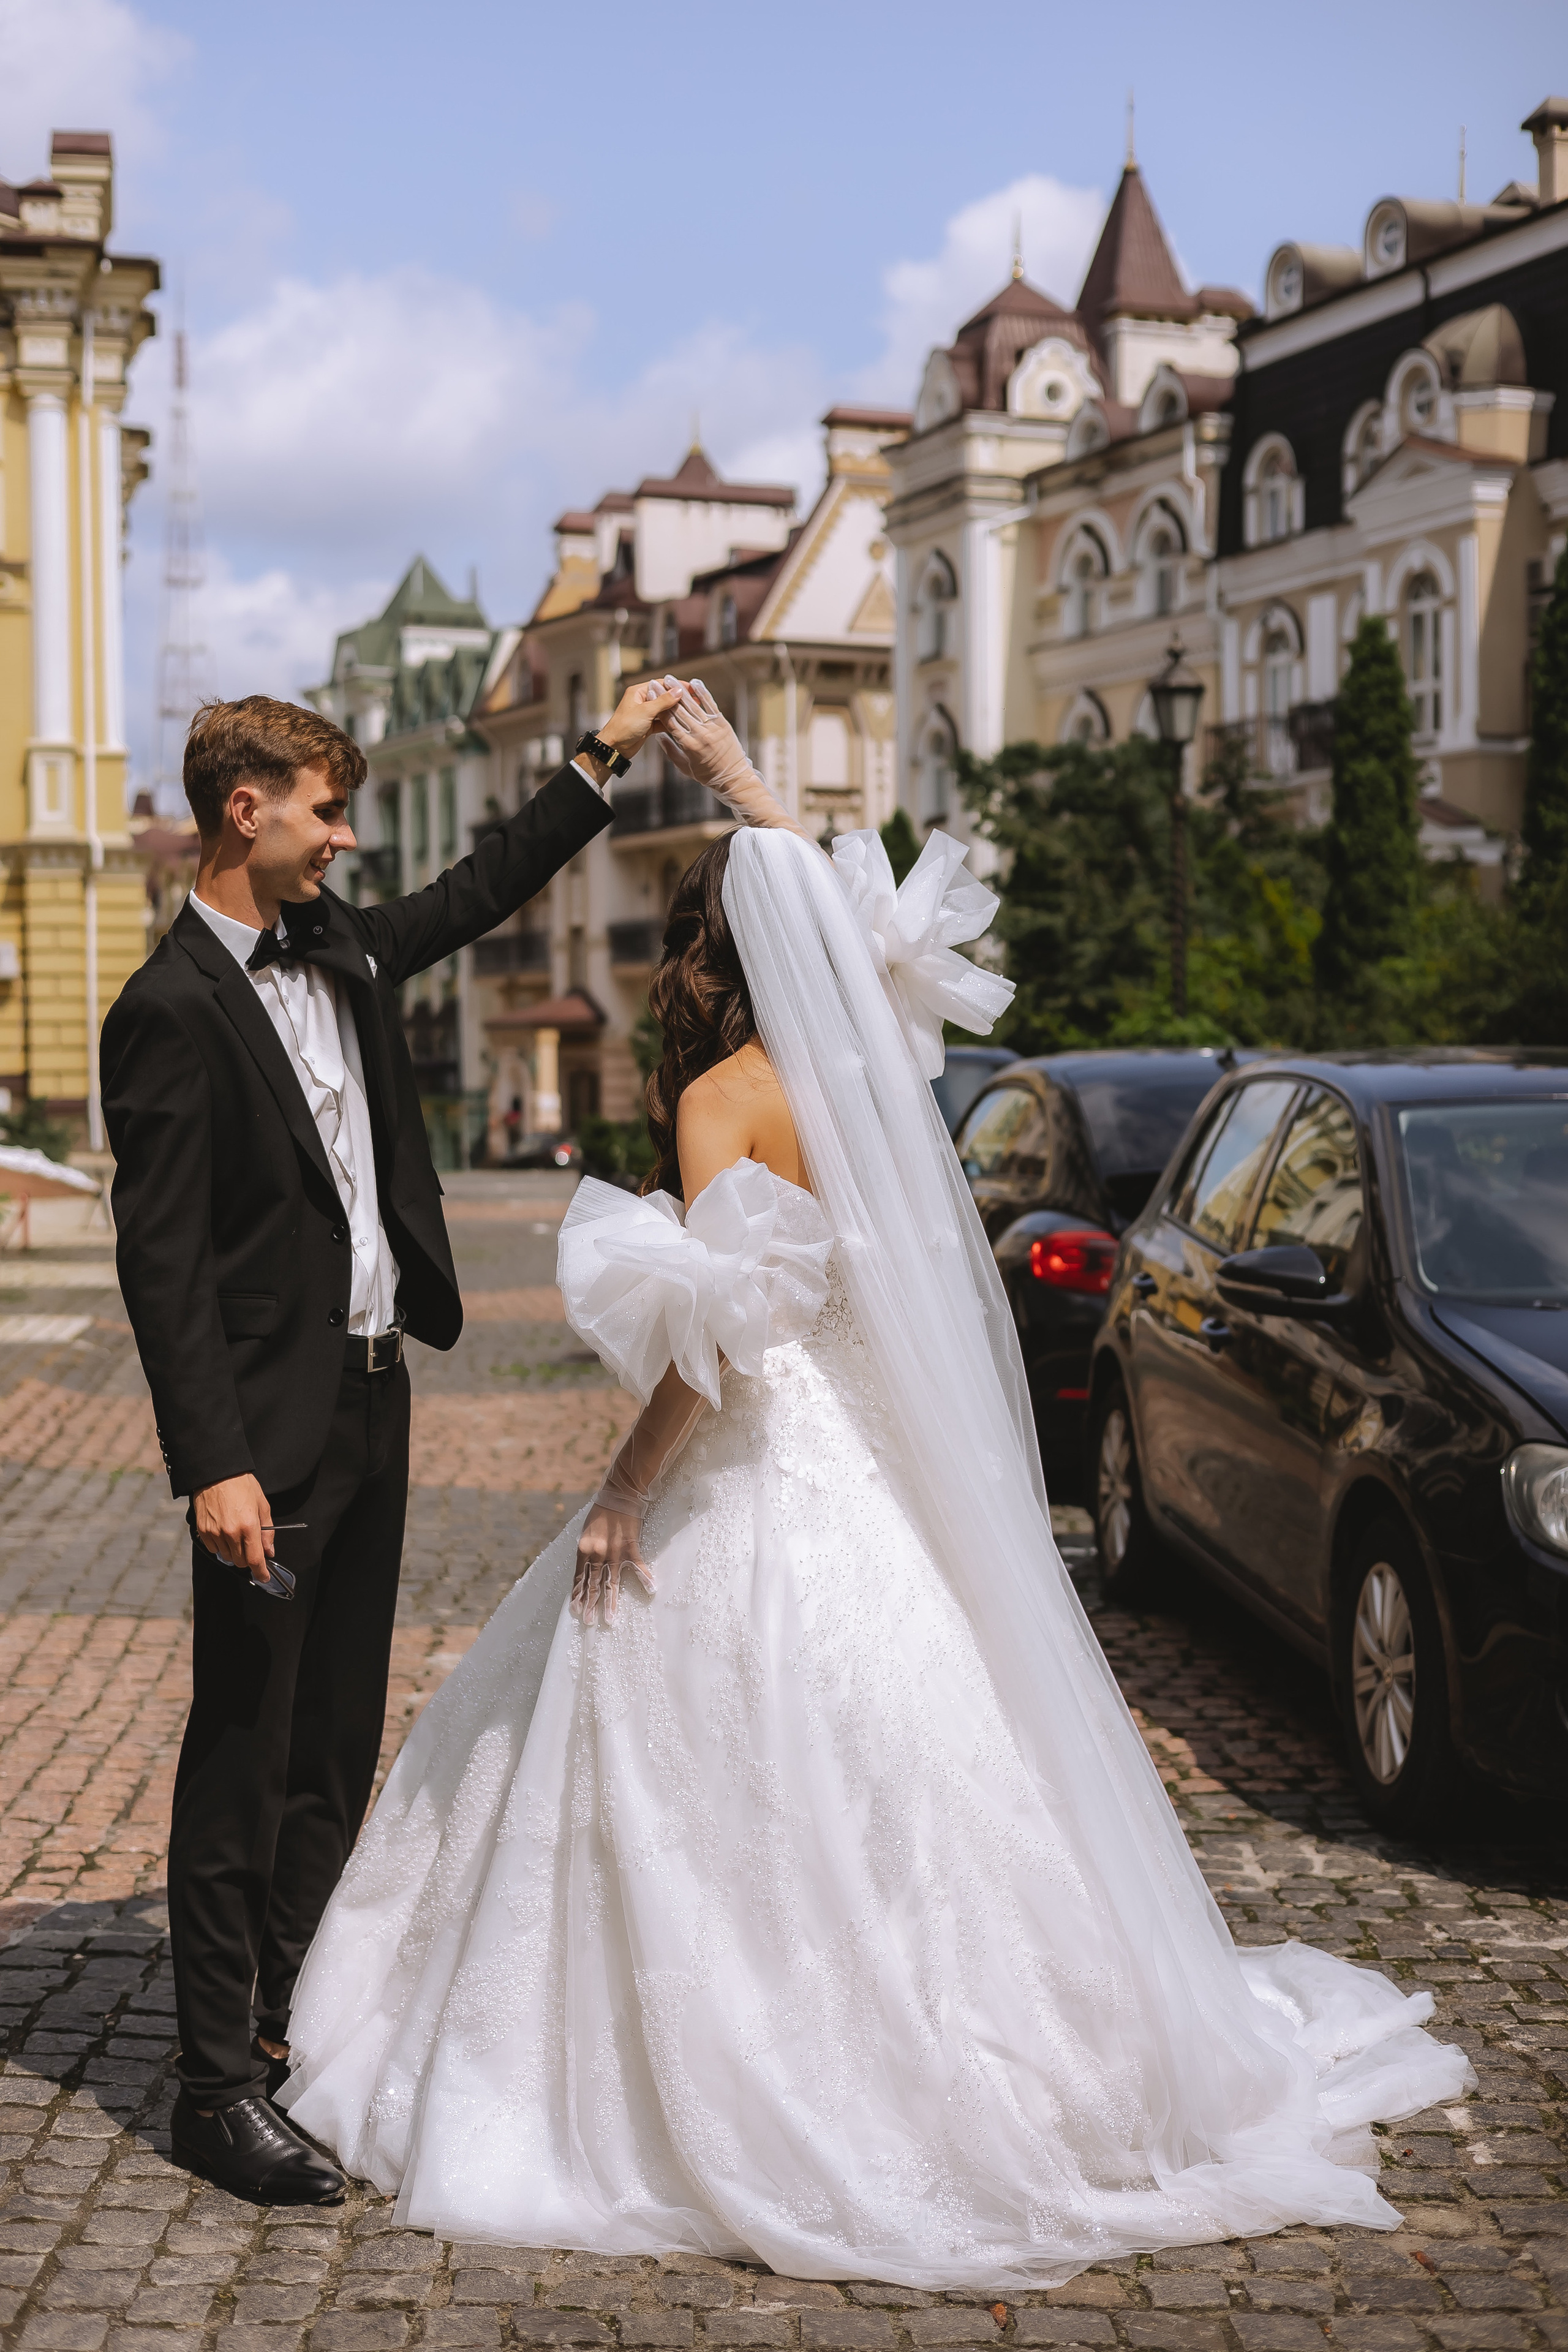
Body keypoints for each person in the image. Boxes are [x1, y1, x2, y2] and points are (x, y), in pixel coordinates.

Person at [280, 684, 1471, 2285]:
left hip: (762, 1463)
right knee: (919, 1765)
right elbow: (844, 948)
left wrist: (622, 1490)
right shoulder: (868, 1074)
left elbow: (722, 1345)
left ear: (699, 953)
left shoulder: (723, 1099)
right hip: (871, 1472)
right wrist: (739, 777)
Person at [100, 683, 682, 2206]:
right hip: (266, 1437)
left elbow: (480, 888)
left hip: (373, 1400)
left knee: (336, 1740)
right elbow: (162, 1264)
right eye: (325, 811)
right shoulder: (165, 1010)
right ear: (245, 811)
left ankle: (289, 2025)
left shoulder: (345, 946)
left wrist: (602, 752)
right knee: (244, 1747)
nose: (345, 838)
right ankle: (211, 2090)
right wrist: (212, 1463)